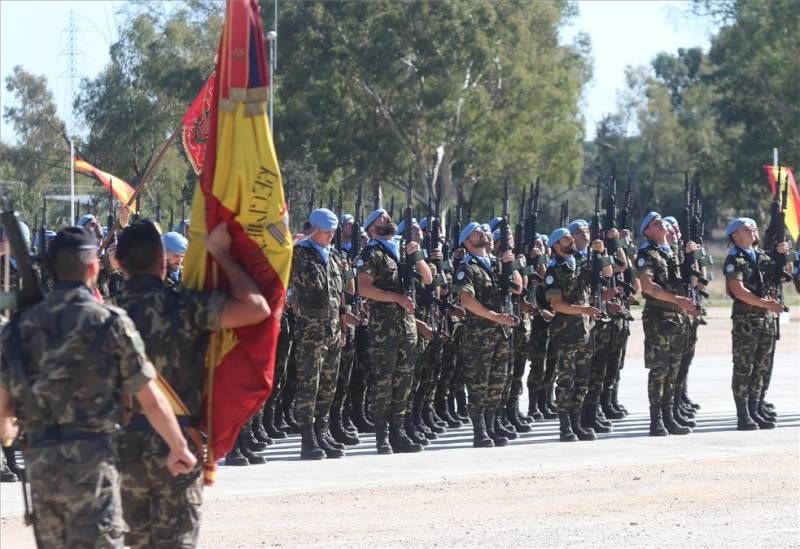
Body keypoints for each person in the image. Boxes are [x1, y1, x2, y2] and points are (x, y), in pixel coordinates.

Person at [0, 227, 195, 548]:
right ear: (93, 268)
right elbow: (151, 398)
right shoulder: (110, 322)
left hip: (43, 469)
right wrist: (178, 446)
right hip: (94, 464)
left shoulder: (19, 328)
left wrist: (15, 432)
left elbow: (5, 416)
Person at [113, 219, 270, 547]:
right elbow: (256, 309)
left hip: (124, 447)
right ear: (162, 261)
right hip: (178, 443)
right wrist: (221, 254)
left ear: (120, 264)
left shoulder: (105, 315)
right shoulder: (183, 305)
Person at [357, 207, 432, 454]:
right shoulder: (371, 252)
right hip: (384, 328)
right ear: (370, 229)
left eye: (388, 217)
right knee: (384, 381)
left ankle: (398, 431)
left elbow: (428, 279)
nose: (387, 219)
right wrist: (396, 298)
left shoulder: (402, 248)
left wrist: (417, 256)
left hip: (407, 326)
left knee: (404, 380)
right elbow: (364, 289)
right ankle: (382, 436)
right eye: (380, 218)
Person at [290, 208, 357, 460]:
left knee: (329, 384)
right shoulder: (299, 254)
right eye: (327, 231)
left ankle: (323, 432)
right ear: (314, 230)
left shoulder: (335, 256)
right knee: (310, 384)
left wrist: (342, 320)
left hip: (331, 329)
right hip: (310, 329)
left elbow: (340, 292)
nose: (331, 236)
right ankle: (307, 440)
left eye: (333, 232)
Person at [453, 222, 519, 448]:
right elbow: (466, 299)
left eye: (482, 230)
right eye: (474, 232)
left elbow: (518, 288)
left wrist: (511, 265)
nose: (481, 233)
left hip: (502, 332)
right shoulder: (467, 268)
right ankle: (479, 430)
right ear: (467, 242)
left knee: (498, 381)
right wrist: (494, 316)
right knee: (479, 383)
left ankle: (492, 424)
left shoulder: (497, 264)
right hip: (479, 335)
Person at [636, 212, 699, 437]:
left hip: (678, 317)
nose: (660, 223)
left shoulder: (674, 253)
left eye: (661, 220)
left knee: (674, 370)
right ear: (647, 232)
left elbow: (689, 281)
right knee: (659, 370)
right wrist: (677, 300)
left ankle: (669, 416)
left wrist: (692, 260)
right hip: (659, 318)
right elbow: (647, 285)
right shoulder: (646, 253)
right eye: (654, 222)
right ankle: (656, 420)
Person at [722, 217, 788, 430]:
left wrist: (782, 253)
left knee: (762, 366)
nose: (752, 230)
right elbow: (738, 291)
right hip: (746, 322)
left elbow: (782, 275)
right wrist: (764, 303)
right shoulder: (734, 260)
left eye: (753, 227)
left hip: (766, 320)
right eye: (746, 228)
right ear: (735, 236)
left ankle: (756, 408)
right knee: (744, 367)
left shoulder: (761, 256)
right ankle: (743, 414)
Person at [544, 228, 606, 442]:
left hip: (584, 331)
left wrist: (599, 253)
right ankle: (564, 426)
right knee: (566, 381)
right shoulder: (554, 270)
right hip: (566, 334)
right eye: (565, 238)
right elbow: (557, 305)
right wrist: (583, 310)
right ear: (555, 245)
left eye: (570, 237)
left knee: (583, 379)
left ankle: (577, 422)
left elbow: (602, 274)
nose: (571, 240)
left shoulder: (578, 263)